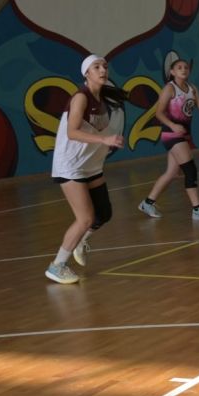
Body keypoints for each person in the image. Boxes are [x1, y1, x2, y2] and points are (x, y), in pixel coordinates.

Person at [46, 55, 126, 284]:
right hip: (70, 166)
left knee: (104, 214)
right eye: (96, 67)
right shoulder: (81, 97)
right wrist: (104, 140)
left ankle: (81, 241)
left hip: (90, 165)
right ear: (86, 73)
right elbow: (72, 132)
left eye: (105, 66)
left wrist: (108, 141)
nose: (102, 70)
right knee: (85, 218)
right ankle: (57, 265)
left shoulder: (102, 100)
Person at [138, 59, 199, 220]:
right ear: (172, 72)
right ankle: (197, 209)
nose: (183, 69)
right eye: (179, 67)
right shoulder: (169, 89)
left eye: (186, 67)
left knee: (171, 173)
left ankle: (147, 203)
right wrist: (172, 125)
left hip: (183, 134)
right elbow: (159, 113)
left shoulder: (192, 88)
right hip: (171, 134)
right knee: (190, 169)